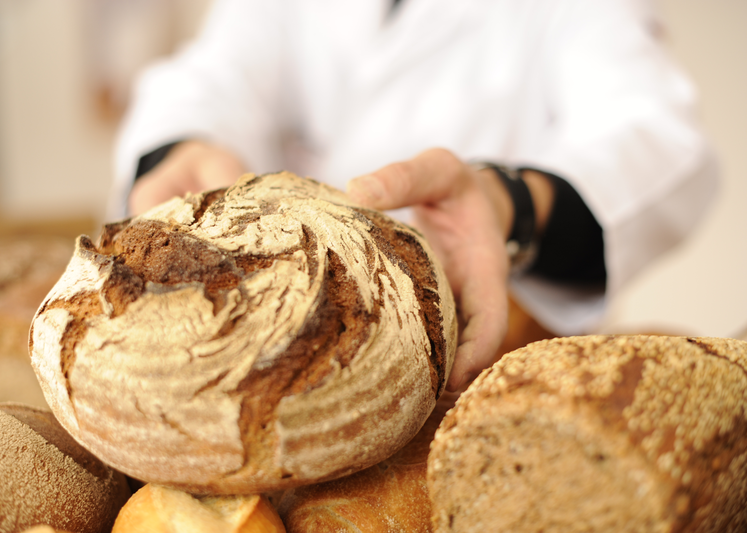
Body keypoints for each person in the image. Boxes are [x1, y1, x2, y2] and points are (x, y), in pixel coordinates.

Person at [110, 0, 718, 391]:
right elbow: (213, 77)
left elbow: (658, 139)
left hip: (480, 367)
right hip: (268, 362)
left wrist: (511, 205)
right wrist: (179, 147)